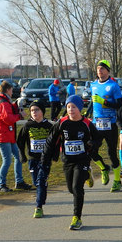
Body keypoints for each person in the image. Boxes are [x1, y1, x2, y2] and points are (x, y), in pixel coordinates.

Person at [42, 95, 101, 230]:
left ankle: (77, 218)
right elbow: (51, 141)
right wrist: (45, 157)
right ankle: (87, 175)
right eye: (68, 107)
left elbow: (98, 139)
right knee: (70, 189)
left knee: (76, 188)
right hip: (68, 160)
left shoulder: (87, 123)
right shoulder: (62, 123)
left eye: (73, 107)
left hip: (82, 159)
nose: (70, 110)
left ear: (79, 108)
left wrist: (93, 144)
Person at [86, 60, 122, 192]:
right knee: (90, 149)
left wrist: (104, 102)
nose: (99, 71)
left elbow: (119, 105)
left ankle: (117, 180)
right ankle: (103, 168)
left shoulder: (113, 86)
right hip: (97, 124)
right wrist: (87, 113)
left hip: (111, 124)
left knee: (112, 153)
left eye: (102, 69)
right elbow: (92, 101)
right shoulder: (93, 85)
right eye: (98, 69)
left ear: (108, 71)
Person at [0, 81, 32, 192]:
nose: (12, 92)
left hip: (7, 135)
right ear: (8, 90)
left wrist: (15, 105)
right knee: (7, 160)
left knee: (19, 157)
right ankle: (1, 184)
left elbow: (8, 112)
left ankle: (19, 182)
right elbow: (8, 119)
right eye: (11, 90)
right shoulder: (3, 102)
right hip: (2, 135)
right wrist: (19, 115)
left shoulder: (4, 101)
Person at [17, 101, 53, 218]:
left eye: (37, 110)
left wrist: (55, 154)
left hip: (45, 159)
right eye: (32, 110)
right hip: (33, 159)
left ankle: (38, 207)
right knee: (36, 182)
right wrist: (22, 155)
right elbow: (20, 142)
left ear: (42, 111)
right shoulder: (28, 126)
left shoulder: (49, 126)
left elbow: (56, 141)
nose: (34, 112)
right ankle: (41, 194)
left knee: (41, 181)